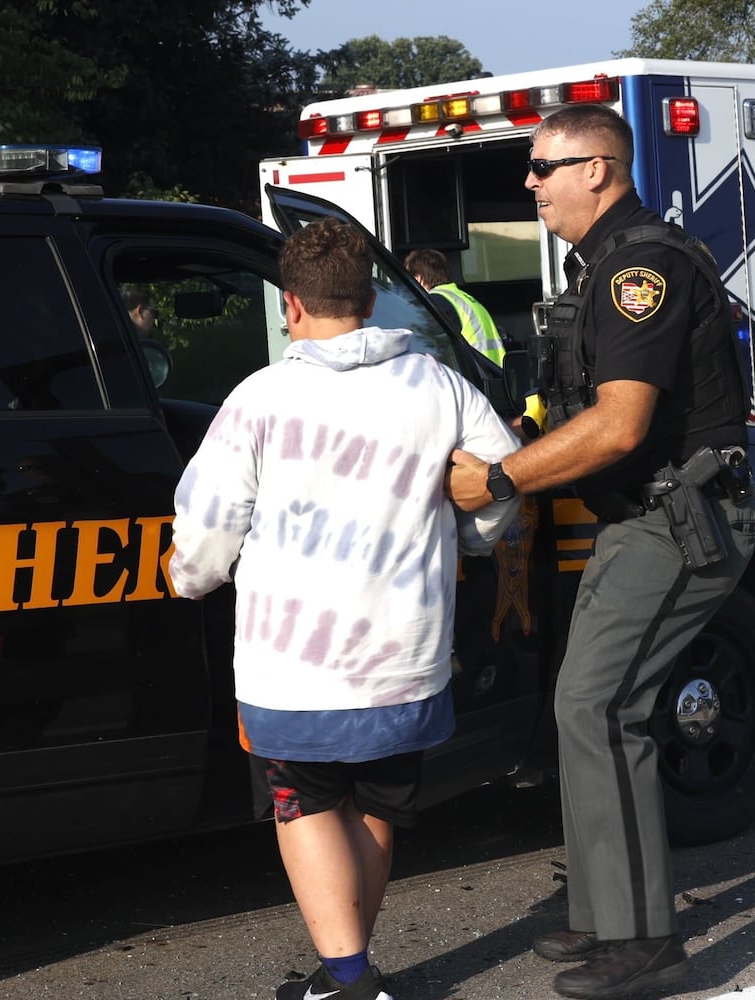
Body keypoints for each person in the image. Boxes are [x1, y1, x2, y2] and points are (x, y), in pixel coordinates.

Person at [447, 103, 755, 1000]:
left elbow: (620, 427)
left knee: (599, 706)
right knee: (580, 704)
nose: (530, 182)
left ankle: (645, 944)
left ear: (599, 169)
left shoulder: (641, 268)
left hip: (679, 522)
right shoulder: (599, 269)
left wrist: (503, 479)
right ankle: (602, 911)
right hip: (640, 522)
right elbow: (574, 403)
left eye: (545, 166)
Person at [168, 217, 522, 1000]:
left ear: (291, 306)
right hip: (405, 656)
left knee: (303, 807)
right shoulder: (442, 386)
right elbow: (499, 496)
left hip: (290, 666)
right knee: (373, 805)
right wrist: (465, 536)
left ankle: (353, 981)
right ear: (372, 298)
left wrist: (187, 576)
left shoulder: (260, 398)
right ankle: (347, 970)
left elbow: (207, 525)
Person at [405, 248, 507, 365]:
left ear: (419, 279)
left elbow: (426, 346)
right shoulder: (462, 298)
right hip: (493, 373)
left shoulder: (437, 302)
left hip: (476, 376)